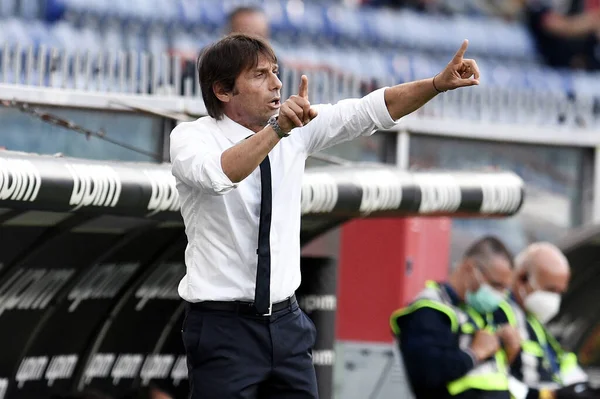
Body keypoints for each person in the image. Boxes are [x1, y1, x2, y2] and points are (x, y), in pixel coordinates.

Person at [170, 32, 480, 398]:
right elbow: (220, 175)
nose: (276, 83)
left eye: (276, 71)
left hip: (286, 323)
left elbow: (368, 110)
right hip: (223, 327)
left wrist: (435, 85)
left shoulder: (293, 129)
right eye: (259, 75)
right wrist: (277, 131)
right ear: (223, 91)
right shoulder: (192, 137)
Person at [390, 236, 521, 399]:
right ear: (469, 268)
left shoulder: (477, 309)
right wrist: (473, 354)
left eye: (504, 288)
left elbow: (491, 376)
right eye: (496, 285)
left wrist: (509, 351)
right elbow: (426, 376)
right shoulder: (430, 310)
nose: (500, 295)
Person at [493, 242, 600, 399]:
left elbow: (562, 365)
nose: (554, 299)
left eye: (559, 292)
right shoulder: (498, 314)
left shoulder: (534, 321)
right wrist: (548, 395)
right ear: (522, 278)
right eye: (550, 289)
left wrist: (582, 388)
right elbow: (495, 379)